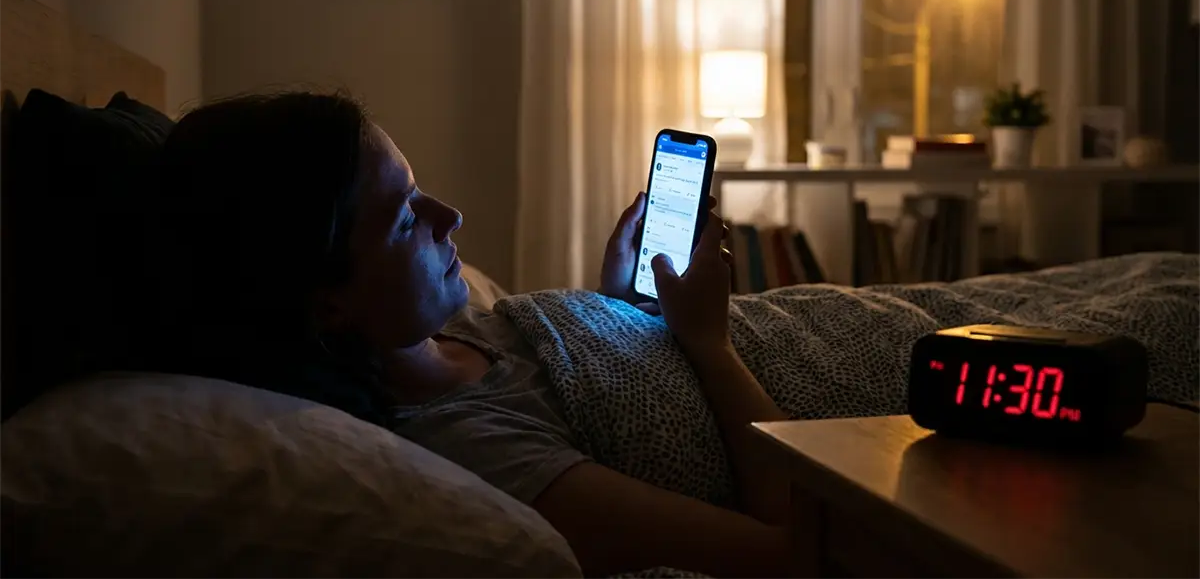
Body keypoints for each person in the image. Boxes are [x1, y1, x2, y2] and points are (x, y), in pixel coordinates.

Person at [155, 91, 794, 578]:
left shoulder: (449, 326)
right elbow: (791, 550)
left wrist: (612, 307)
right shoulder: (477, 451)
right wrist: (711, 344)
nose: (450, 216)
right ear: (327, 306)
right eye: (406, 218)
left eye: (419, 190)